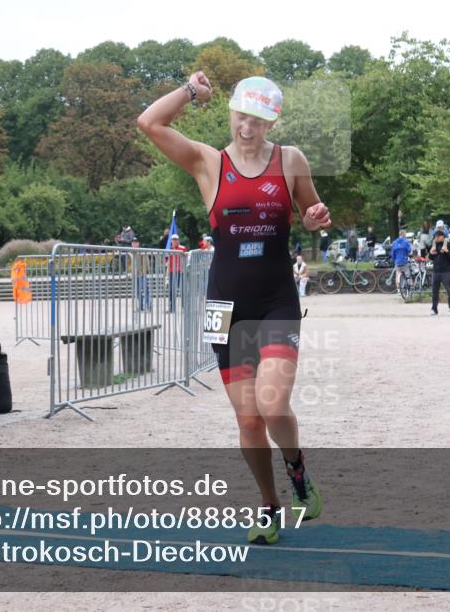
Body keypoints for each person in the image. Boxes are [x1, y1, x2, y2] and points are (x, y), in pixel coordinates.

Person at [138, 72, 329, 545]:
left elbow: (313, 215)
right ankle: (269, 504)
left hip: (276, 303)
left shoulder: (290, 160)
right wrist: (189, 91)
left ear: (272, 122)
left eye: (257, 120)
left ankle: (297, 468)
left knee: (273, 405)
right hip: (224, 307)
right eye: (241, 116)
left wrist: (315, 218)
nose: (247, 128)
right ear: (230, 113)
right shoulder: (209, 162)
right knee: (247, 420)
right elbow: (149, 123)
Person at [428, 228, 450, 315]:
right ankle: (434, 309)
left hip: (445, 271)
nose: (436, 238)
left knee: (449, 291)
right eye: (435, 237)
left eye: (437, 236)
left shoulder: (448, 244)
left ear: (442, 237)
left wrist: (447, 252)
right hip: (436, 271)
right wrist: (431, 253)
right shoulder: (434, 244)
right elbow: (431, 257)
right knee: (434, 291)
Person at [166, 233, 187, 312]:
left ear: (178, 240)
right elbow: (168, 262)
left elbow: (186, 258)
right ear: (171, 241)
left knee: (183, 290)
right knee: (171, 290)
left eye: (176, 239)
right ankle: (172, 308)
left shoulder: (182, 248)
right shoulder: (170, 249)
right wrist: (167, 274)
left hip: (181, 271)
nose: (174, 241)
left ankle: (184, 307)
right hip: (172, 272)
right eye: (173, 240)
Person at [130, 237, 152, 311]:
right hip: (135, 274)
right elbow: (131, 264)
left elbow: (146, 262)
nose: (134, 244)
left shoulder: (142, 251)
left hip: (142, 274)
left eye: (136, 242)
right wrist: (131, 273)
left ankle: (148, 305)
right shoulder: (131, 252)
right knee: (137, 291)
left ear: (138, 243)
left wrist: (144, 272)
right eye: (133, 242)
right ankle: (141, 306)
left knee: (145, 289)